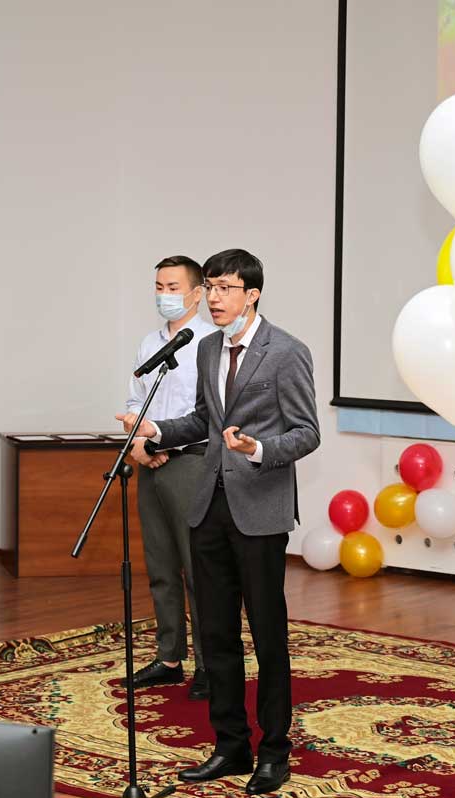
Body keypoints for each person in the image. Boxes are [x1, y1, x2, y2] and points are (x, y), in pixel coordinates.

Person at [131, 248, 319, 795]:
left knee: (267, 635)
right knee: (215, 634)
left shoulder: (286, 351)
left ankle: (274, 752)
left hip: (259, 510)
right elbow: (202, 420)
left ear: (252, 294)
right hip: (207, 507)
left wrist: (259, 449)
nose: (214, 298)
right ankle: (231, 746)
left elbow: (307, 431)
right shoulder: (208, 347)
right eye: (209, 287)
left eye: (225, 288)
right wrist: (157, 431)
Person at [118, 255, 217, 701]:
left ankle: (210, 665)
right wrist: (141, 443)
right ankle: (169, 658)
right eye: (159, 286)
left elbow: (209, 414)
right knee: (160, 566)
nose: (164, 295)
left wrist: (160, 439)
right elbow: (135, 400)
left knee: (199, 570)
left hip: (191, 462)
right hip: (150, 461)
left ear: (197, 293)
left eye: (173, 287)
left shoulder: (211, 344)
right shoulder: (149, 343)